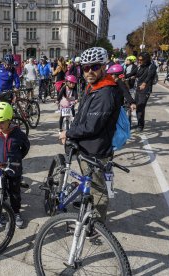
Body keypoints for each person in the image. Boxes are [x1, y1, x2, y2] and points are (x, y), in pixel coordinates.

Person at [60, 47, 121, 224]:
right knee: (90, 183)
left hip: (98, 149)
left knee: (99, 190)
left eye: (94, 67)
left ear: (103, 67)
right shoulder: (93, 87)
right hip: (87, 146)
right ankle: (88, 205)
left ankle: (95, 224)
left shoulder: (105, 92)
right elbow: (81, 116)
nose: (89, 72)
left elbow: (92, 126)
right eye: (85, 68)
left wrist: (68, 132)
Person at [132, 52, 157, 132]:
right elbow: (134, 73)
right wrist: (123, 76)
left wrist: (144, 83)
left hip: (146, 89)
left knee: (141, 106)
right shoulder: (140, 66)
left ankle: (140, 125)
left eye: (141, 60)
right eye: (138, 59)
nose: (139, 61)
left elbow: (150, 76)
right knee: (136, 106)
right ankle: (139, 122)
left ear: (146, 59)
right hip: (138, 88)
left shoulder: (152, 66)